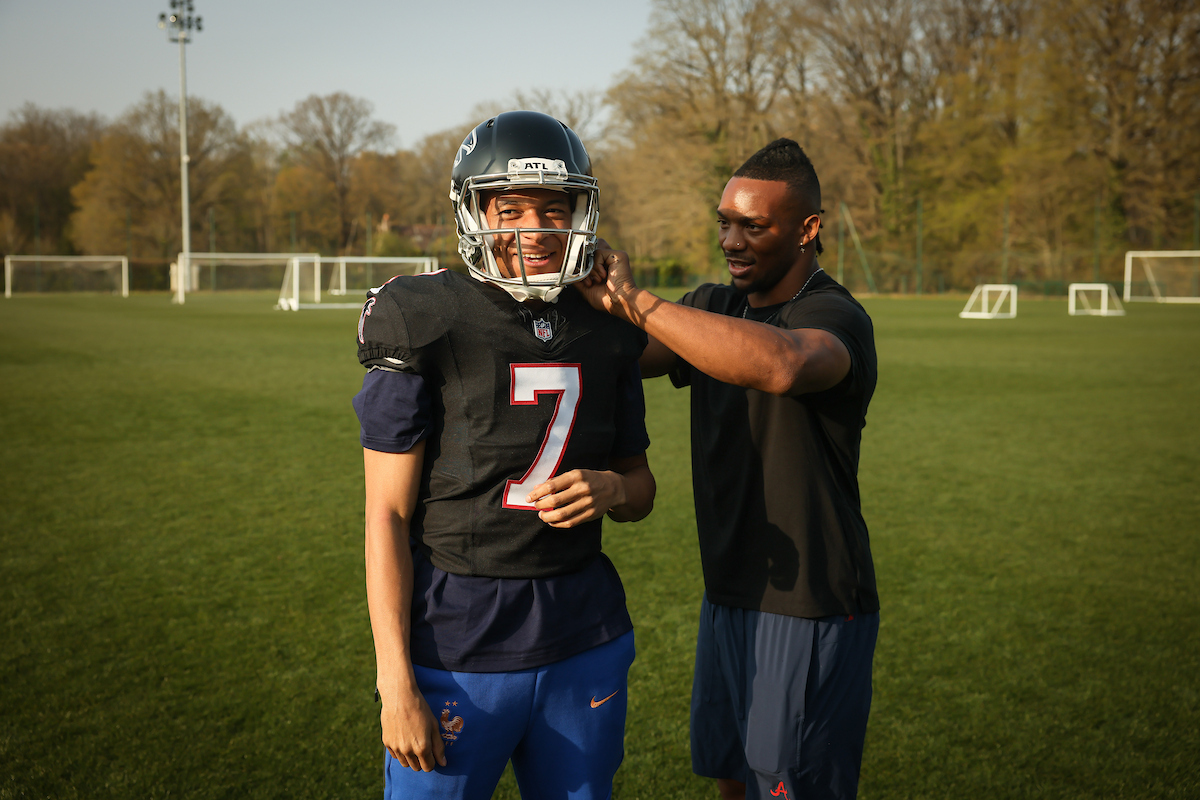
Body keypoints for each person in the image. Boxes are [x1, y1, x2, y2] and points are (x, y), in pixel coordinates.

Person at [354, 110, 656, 799]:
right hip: (458, 641)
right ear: (473, 212)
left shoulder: (606, 324)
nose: (535, 228)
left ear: (582, 211)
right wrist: (395, 683)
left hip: (584, 631)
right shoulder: (425, 315)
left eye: (555, 209)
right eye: (511, 207)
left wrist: (610, 489)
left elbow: (642, 490)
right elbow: (387, 517)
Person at [579, 138, 880, 800]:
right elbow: (624, 353)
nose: (732, 240)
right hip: (730, 591)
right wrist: (565, 288)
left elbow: (783, 364)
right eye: (724, 222)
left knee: (789, 788)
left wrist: (641, 303)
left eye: (753, 225)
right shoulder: (713, 308)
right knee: (732, 775)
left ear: (807, 229)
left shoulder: (834, 317)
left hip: (811, 601)